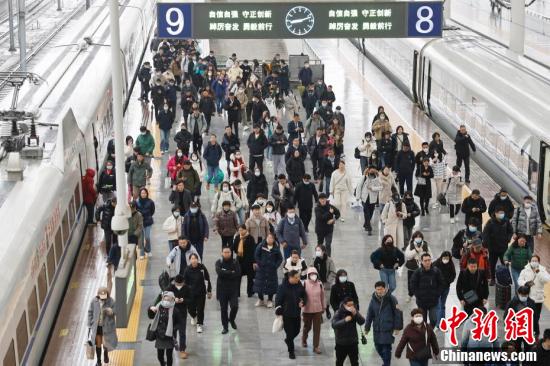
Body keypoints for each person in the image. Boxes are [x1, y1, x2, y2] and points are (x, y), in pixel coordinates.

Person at [365, 281, 403, 366]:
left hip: (388, 328)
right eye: (377, 289)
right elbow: (369, 314)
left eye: (381, 289)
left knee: (386, 349)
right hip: (377, 328)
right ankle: (386, 362)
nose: (379, 291)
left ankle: (386, 364)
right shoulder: (373, 300)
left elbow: (398, 313)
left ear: (385, 289)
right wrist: (367, 328)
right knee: (378, 347)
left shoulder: (392, 299)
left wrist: (397, 327)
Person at [275, 270, 306, 360]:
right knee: (290, 333)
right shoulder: (282, 287)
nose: (298, 279)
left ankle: (288, 340)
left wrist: (303, 302)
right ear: (290, 278)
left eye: (298, 277)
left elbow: (304, 295)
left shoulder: (299, 285)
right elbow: (278, 300)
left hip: (296, 313)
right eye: (296, 277)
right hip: (287, 315)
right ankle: (291, 351)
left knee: (297, 330)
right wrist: (279, 310)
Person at [518, 255, 550, 338]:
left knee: (536, 316)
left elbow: (546, 280)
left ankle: (535, 331)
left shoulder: (542, 270)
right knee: (530, 315)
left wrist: (538, 272)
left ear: (538, 262)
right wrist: (525, 283)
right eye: (533, 260)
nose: (534, 262)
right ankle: (535, 331)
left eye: (536, 261)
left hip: (538, 298)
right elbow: (519, 280)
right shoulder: (525, 270)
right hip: (528, 297)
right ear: (530, 261)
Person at [148, 291, 182, 366]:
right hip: (159, 335)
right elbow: (150, 316)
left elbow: (179, 323)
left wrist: (173, 329)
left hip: (169, 336)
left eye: (168, 299)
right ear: (162, 299)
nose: (166, 301)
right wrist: (150, 308)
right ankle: (162, 363)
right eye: (165, 299)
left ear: (172, 300)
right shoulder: (158, 307)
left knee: (169, 356)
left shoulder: (175, 311)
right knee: (159, 356)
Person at [410, 253, 444, 326]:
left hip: (433, 301)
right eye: (425, 261)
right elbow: (413, 285)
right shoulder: (418, 272)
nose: (427, 262)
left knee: (434, 319)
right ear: (421, 261)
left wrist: (437, 294)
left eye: (429, 260)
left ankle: (430, 331)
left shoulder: (436, 271)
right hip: (421, 302)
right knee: (423, 320)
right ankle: (424, 333)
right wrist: (418, 295)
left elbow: (441, 283)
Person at [483, 206, 514, 285]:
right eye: (500, 213)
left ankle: (507, 278)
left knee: (505, 263)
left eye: (502, 213)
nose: (501, 214)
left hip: (503, 247)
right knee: (492, 264)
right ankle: (492, 279)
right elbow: (485, 234)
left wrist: (508, 239)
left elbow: (510, 231)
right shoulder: (490, 222)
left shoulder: (506, 221)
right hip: (493, 247)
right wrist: (486, 245)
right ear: (496, 213)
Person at [87, 287, 117, 366]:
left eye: (105, 297)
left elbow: (116, 310)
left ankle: (106, 353)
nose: (103, 299)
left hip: (106, 327)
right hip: (97, 327)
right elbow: (90, 312)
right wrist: (89, 323)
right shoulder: (94, 301)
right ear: (98, 295)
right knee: (98, 344)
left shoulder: (111, 301)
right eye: (101, 297)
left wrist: (111, 311)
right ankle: (99, 361)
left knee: (105, 343)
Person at [332, 297, 365, 366]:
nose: (351, 307)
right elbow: (334, 325)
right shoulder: (338, 312)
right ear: (344, 305)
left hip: (353, 342)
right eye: (349, 305)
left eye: (352, 305)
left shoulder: (354, 311)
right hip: (341, 343)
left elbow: (362, 322)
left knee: (355, 362)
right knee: (339, 362)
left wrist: (356, 314)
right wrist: (344, 320)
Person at [215, 247, 241, 334]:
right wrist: (230, 272)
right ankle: (225, 327)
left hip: (233, 289)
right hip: (222, 289)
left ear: (231, 253)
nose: (226, 254)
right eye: (225, 252)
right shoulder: (219, 262)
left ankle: (232, 319)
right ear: (222, 253)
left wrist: (225, 272)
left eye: (228, 252)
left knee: (235, 306)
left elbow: (237, 273)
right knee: (223, 309)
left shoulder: (235, 262)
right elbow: (219, 272)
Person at [183, 253, 212, 333]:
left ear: (197, 259)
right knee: (190, 309)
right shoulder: (187, 270)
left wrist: (209, 290)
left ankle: (199, 324)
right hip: (191, 293)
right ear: (190, 260)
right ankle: (194, 316)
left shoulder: (202, 268)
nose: (194, 260)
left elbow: (207, 279)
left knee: (200, 309)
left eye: (195, 258)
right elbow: (184, 282)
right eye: (192, 258)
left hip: (201, 292)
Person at [254, 233, 283, 307]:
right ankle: (261, 299)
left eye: (271, 238)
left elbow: (280, 258)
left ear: (273, 239)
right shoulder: (261, 245)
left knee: (271, 285)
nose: (269, 239)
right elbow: (256, 255)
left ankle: (270, 300)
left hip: (271, 270)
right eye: (268, 238)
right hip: (262, 269)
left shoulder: (276, 248)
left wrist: (275, 266)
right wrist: (260, 263)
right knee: (259, 284)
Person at [165, 275, 190, 359]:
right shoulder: (170, 288)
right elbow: (164, 298)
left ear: (183, 282)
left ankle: (182, 349)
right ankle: (172, 346)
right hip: (172, 313)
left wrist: (184, 300)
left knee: (182, 332)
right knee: (173, 331)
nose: (179, 285)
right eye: (177, 284)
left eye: (181, 284)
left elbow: (190, 299)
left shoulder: (186, 288)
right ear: (174, 282)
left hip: (182, 313)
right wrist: (173, 299)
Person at [301, 267, 325, 354]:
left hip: (318, 310)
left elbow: (322, 296)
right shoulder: (304, 284)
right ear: (308, 275)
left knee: (317, 329)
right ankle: (304, 339)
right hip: (307, 310)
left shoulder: (320, 284)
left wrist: (323, 307)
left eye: (314, 274)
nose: (313, 276)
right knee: (307, 327)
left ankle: (316, 346)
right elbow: (301, 296)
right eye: (311, 274)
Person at [505, 285, 536, 350]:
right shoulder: (512, 303)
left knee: (528, 348)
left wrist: (535, 330)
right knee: (516, 347)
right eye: (522, 295)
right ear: (518, 293)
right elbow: (506, 316)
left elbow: (535, 317)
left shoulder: (531, 302)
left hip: (527, 329)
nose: (524, 297)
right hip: (516, 329)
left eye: (525, 295)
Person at [404, 231, 432, 303]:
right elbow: (407, 255)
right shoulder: (410, 245)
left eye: (419, 237)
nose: (418, 238)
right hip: (412, 267)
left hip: (422, 267)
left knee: (421, 281)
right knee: (411, 281)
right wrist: (415, 251)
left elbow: (430, 255)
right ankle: (410, 294)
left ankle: (421, 296)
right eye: (416, 237)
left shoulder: (425, 245)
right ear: (414, 238)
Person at [355, 166, 382, 234]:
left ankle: (366, 224)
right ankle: (369, 228)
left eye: (373, 170)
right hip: (365, 198)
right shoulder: (364, 177)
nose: (372, 172)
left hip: (373, 199)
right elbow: (359, 186)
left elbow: (381, 187)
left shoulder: (377, 179)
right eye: (371, 170)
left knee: (370, 213)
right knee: (366, 212)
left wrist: (372, 188)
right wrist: (358, 197)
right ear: (368, 170)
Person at [232, 225, 256, 297]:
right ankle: (237, 293)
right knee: (238, 277)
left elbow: (253, 250)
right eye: (239, 230)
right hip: (239, 260)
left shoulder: (250, 238)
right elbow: (234, 248)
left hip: (249, 260)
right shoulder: (237, 237)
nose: (241, 231)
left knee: (250, 277)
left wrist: (254, 261)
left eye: (242, 230)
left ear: (246, 230)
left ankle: (250, 292)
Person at [432, 251, 456, 325]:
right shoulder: (436, 264)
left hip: (446, 288)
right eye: (444, 258)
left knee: (442, 305)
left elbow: (453, 275)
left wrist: (448, 281)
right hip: (437, 288)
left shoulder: (451, 265)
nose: (446, 259)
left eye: (447, 258)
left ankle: (442, 321)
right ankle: (438, 323)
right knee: (438, 305)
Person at [313, 245, 336, 319]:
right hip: (317, 283)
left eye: (319, 250)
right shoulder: (315, 260)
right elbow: (312, 270)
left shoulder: (329, 260)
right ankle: (320, 313)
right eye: (316, 250)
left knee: (326, 299)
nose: (317, 252)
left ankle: (327, 310)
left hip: (326, 283)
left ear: (323, 251)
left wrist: (328, 281)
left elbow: (333, 272)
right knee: (318, 298)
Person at [136, 188, 155, 259]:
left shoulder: (151, 202)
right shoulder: (137, 202)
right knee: (141, 238)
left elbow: (152, 211)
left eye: (144, 193)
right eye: (142, 193)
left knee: (147, 237)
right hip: (140, 223)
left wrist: (149, 216)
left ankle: (148, 250)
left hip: (148, 221)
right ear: (140, 194)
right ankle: (142, 253)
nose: (143, 194)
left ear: (147, 194)